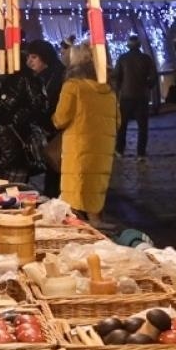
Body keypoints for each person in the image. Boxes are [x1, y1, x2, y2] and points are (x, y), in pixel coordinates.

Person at [52, 44, 118, 222]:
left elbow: (60, 119)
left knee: (74, 205)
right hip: (101, 157)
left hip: (78, 155)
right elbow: (117, 121)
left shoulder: (73, 87)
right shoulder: (109, 92)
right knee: (95, 205)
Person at [23, 39, 66, 199]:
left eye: (34, 57)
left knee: (56, 174)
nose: (29, 61)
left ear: (45, 57)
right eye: (29, 57)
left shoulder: (59, 76)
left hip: (57, 133)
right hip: (47, 132)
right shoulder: (39, 77)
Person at [113, 35, 155, 159]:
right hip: (142, 96)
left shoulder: (122, 58)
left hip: (126, 96)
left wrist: (120, 88)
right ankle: (141, 152)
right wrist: (147, 86)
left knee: (123, 125)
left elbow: (116, 76)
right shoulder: (146, 59)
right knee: (143, 126)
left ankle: (120, 150)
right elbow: (153, 77)